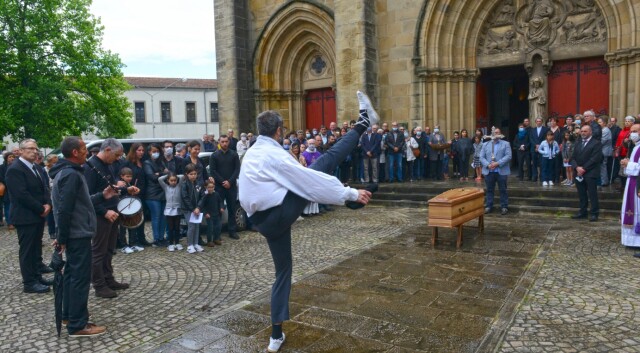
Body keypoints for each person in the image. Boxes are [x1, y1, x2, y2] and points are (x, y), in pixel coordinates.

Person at [239, 92, 375, 352]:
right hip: (277, 214)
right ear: (279, 131)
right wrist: (350, 193)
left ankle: (275, 336)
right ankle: (362, 124)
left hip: (262, 222)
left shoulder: (252, 154)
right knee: (326, 161)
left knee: (283, 272)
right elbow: (308, 182)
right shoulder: (273, 155)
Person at [50, 136, 119, 337]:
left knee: (72, 276)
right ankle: (78, 324)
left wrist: (102, 196)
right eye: (83, 149)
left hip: (75, 232)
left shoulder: (68, 172)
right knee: (79, 278)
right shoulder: (70, 174)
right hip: (76, 233)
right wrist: (61, 237)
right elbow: (64, 209)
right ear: (74, 153)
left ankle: (69, 315)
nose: (86, 153)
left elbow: (79, 201)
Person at [84, 138, 138, 298]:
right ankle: (99, 285)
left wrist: (127, 189)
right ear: (107, 150)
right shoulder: (91, 167)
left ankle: (108, 278)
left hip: (113, 212)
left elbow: (110, 187)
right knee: (98, 251)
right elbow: (87, 197)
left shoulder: (108, 165)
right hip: (102, 215)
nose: (118, 158)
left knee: (109, 250)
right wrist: (103, 212)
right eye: (117, 155)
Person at [5, 139, 53, 293]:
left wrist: (47, 203)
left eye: (36, 148)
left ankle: (37, 275)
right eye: (31, 148)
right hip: (25, 216)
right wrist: (40, 208)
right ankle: (29, 282)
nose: (35, 151)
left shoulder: (37, 167)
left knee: (36, 248)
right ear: (21, 150)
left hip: (38, 214)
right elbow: (21, 194)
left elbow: (44, 187)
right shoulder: (15, 169)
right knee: (27, 250)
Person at [209, 135, 241, 239]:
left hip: (231, 186)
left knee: (232, 208)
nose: (224, 144)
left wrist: (230, 182)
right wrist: (223, 182)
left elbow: (237, 170)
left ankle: (232, 230)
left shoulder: (234, 154)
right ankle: (217, 233)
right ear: (219, 142)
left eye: (226, 141)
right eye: (222, 141)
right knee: (218, 210)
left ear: (229, 142)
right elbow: (213, 171)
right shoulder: (214, 155)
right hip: (219, 187)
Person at [570, 125, 603, 222]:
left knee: (592, 194)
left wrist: (584, 168)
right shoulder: (578, 142)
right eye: (582, 131)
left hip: (590, 172)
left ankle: (594, 213)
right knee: (581, 194)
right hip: (578, 172)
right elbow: (573, 157)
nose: (583, 133)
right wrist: (576, 167)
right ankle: (582, 212)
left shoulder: (596, 143)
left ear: (590, 132)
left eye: (585, 131)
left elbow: (595, 158)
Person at [480, 128, 512, 215]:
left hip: (501, 171)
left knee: (503, 189)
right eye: (494, 133)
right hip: (489, 171)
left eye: (497, 132)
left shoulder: (506, 144)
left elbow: (508, 156)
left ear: (500, 134)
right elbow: (481, 157)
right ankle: (489, 206)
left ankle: (504, 206)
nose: (495, 134)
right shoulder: (485, 144)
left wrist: (497, 163)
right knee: (489, 189)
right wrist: (488, 165)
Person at [620, 123, 640, 249]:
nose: (631, 133)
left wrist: (629, 164)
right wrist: (626, 163)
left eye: (635, 131)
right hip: (632, 181)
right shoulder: (636, 147)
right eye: (631, 131)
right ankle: (632, 240)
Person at [144, 143, 168, 246]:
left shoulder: (161, 162)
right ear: (149, 152)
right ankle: (156, 239)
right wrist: (162, 173)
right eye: (154, 151)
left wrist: (159, 173)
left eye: (157, 151)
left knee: (163, 217)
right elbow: (152, 177)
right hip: (152, 194)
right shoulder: (147, 163)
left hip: (162, 192)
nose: (156, 153)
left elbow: (168, 173)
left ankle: (161, 238)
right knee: (156, 216)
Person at [181, 164, 205, 254]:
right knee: (191, 226)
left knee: (197, 226)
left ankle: (196, 243)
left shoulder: (198, 184)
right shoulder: (184, 184)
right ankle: (190, 245)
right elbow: (185, 198)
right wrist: (193, 209)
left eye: (195, 174)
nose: (193, 176)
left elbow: (202, 196)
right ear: (186, 174)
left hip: (197, 209)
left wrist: (198, 207)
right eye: (191, 174)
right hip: (188, 209)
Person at [159, 172, 184, 251]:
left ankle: (177, 242)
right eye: (171, 180)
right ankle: (170, 243)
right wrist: (169, 174)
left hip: (177, 209)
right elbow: (159, 179)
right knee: (170, 228)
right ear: (168, 180)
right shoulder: (166, 187)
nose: (173, 182)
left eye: (175, 180)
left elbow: (182, 176)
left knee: (177, 227)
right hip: (169, 210)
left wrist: (175, 175)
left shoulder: (179, 186)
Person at [199, 179, 224, 247]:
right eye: (209, 187)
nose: (210, 189)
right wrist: (205, 213)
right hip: (209, 215)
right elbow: (202, 206)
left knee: (218, 227)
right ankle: (209, 240)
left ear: (214, 187)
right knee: (210, 228)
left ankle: (216, 238)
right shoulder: (205, 196)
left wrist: (221, 208)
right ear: (206, 188)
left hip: (217, 214)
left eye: (212, 187)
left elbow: (220, 202)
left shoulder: (216, 194)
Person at [529, 117, 549, 182]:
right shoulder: (532, 130)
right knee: (534, 163)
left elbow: (546, 138)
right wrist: (536, 145)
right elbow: (531, 138)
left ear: (542, 122)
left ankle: (541, 177)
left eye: (540, 121)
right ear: (535, 122)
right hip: (534, 148)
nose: (538, 122)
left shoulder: (546, 129)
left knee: (542, 163)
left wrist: (540, 146)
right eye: (537, 121)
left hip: (542, 148)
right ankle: (534, 176)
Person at [0, 151, 16, 229]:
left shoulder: (16, 166)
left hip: (15, 190)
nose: (12, 158)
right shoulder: (2, 167)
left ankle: (15, 221)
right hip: (6, 190)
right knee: (7, 206)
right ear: (6, 158)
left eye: (13, 157)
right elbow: (1, 178)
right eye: (10, 157)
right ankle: (10, 222)